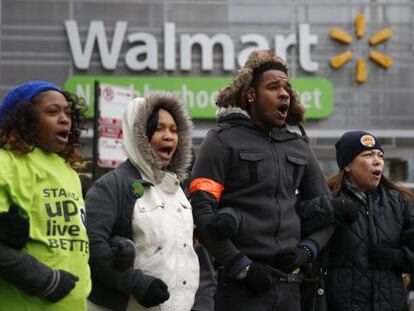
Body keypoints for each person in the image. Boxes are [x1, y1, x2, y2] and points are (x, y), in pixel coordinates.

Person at [189, 49, 334, 311]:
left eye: (287, 88)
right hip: (240, 290)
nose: (284, 93)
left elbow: (328, 214)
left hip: (292, 289)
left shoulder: (299, 146)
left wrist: (307, 250)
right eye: (273, 86)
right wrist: (240, 266)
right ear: (251, 94)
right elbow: (201, 210)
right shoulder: (221, 140)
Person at [85, 92, 199, 311]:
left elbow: (191, 253)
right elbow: (91, 244)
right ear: (138, 135)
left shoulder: (178, 189)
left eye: (174, 130)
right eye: (159, 128)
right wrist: (136, 283)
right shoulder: (111, 185)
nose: (169, 136)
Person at [0, 80, 90, 310]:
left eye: (67, 113)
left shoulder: (70, 172)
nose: (64, 119)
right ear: (24, 119)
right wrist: (44, 280)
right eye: (52, 112)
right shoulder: (5, 162)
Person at [319, 130, 414, 311]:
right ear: (347, 165)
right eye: (368, 155)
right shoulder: (329, 200)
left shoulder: (400, 203)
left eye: (380, 155)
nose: (377, 160)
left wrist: (398, 258)